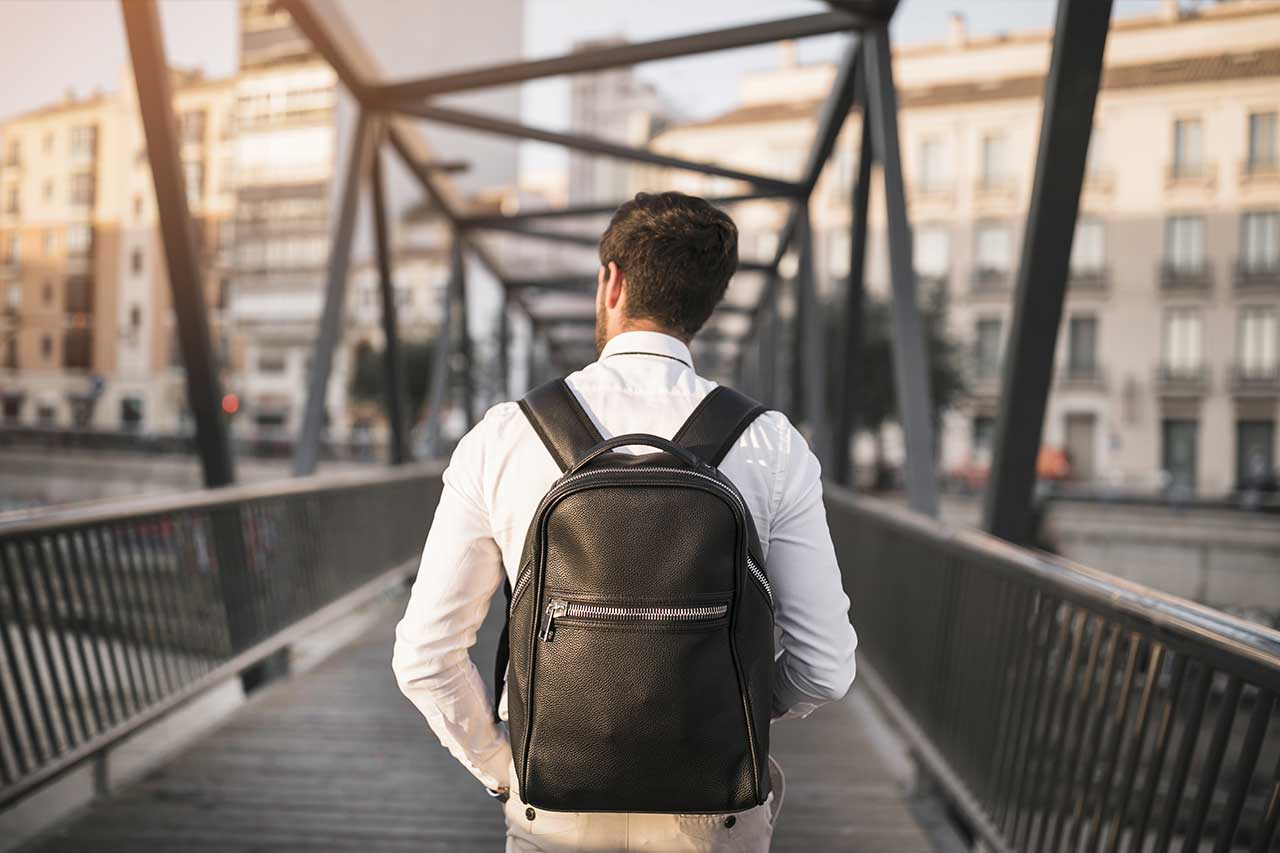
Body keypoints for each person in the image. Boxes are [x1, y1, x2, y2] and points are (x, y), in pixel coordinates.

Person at [392, 191, 858, 852]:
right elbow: (827, 666)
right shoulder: (771, 444)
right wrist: (738, 704)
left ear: (611, 281)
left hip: (555, 811)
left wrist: (506, 770)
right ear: (709, 304)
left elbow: (424, 656)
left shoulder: (507, 434)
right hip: (713, 813)